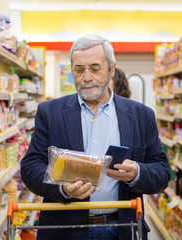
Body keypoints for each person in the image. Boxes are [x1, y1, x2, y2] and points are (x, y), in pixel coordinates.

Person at [21, 34, 171, 240]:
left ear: (111, 68)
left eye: (95, 68)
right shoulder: (50, 112)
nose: (87, 77)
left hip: (123, 229)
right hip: (65, 230)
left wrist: (138, 172)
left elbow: (162, 172)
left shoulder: (141, 115)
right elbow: (30, 168)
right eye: (79, 69)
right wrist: (63, 189)